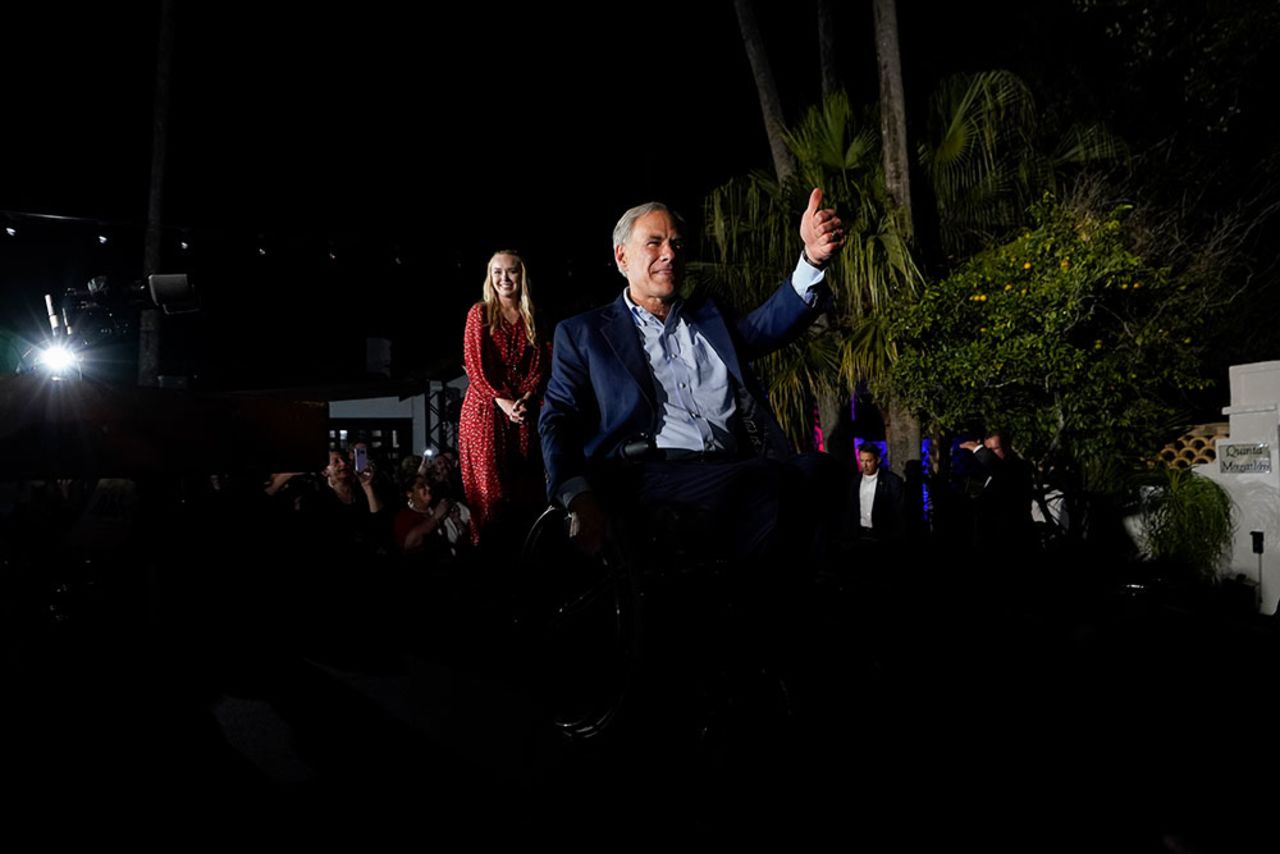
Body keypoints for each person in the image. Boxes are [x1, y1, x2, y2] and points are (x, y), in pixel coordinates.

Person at [538, 188, 845, 558]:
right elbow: (558, 419)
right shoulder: (583, 333)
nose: (670, 254)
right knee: (766, 486)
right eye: (654, 243)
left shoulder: (709, 320)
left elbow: (766, 327)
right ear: (622, 257)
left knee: (822, 471)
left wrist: (812, 259)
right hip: (649, 474)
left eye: (677, 245)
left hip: (733, 466)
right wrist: (576, 494)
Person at [458, 251, 551, 545]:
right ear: (490, 276)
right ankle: (487, 555)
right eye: (497, 272)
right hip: (486, 408)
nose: (504, 278)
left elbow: (541, 364)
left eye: (511, 271)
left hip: (522, 408)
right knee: (491, 494)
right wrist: (502, 401)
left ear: (521, 276)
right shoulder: (480, 313)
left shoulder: (532, 315)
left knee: (523, 487)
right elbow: (474, 365)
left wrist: (523, 398)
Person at [842, 443, 905, 542]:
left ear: (878, 460)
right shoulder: (855, 481)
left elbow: (899, 511)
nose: (864, 465)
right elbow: (850, 509)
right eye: (862, 461)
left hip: (883, 536)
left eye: (869, 461)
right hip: (859, 535)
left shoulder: (892, 481)